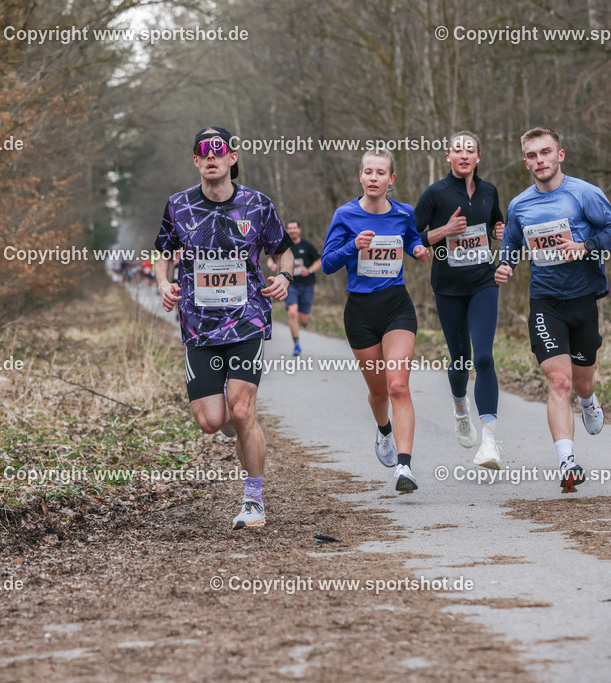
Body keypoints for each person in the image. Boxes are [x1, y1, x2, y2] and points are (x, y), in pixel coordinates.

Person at [153, 126, 293, 529]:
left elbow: (283, 253)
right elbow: (162, 253)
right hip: (198, 325)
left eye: (219, 150)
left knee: (243, 408)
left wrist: (285, 277)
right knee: (211, 421)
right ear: (196, 161)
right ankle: (231, 419)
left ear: (232, 158)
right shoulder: (178, 205)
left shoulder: (257, 205)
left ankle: (253, 499)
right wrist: (164, 282)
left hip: (246, 319)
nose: (211, 156)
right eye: (203, 151)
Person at [495, 126, 611, 493]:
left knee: (582, 382)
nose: (540, 160)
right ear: (526, 162)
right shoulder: (520, 205)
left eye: (546, 152)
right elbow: (510, 247)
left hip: (583, 298)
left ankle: (588, 400)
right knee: (559, 381)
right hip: (545, 301)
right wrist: (505, 266)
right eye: (533, 155)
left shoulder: (584, 194)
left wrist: (585, 246)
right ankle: (567, 461)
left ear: (560, 155)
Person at [321, 148, 431, 493]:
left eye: (380, 173)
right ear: (360, 177)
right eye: (367, 172)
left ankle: (404, 467)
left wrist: (418, 250)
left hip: (396, 305)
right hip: (360, 312)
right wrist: (353, 246)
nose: (373, 178)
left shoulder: (404, 213)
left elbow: (411, 237)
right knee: (379, 391)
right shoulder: (345, 214)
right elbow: (326, 264)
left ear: (391, 179)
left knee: (398, 385)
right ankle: (383, 429)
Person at [414, 131, 504, 469]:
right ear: (448, 158)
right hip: (448, 288)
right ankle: (460, 409)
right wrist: (443, 232)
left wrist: (500, 228)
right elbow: (412, 238)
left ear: (478, 157)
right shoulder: (435, 194)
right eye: (457, 150)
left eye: (470, 150)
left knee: (483, 357)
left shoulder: (489, 190)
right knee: (460, 360)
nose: (464, 155)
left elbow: (497, 222)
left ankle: (490, 443)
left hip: (484, 283)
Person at [266, 220, 321, 355]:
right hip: (291, 285)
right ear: (286, 230)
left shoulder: (307, 245)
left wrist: (308, 270)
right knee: (292, 312)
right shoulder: (284, 246)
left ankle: (303, 322)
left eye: (294, 228)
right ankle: (296, 344)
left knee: (303, 319)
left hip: (307, 285)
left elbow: (319, 260)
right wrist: (272, 266)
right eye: (289, 228)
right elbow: (271, 259)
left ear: (299, 230)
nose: (292, 230)